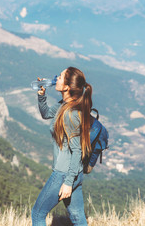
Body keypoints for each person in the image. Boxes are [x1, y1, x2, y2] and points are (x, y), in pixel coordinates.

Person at [31, 67, 92, 226]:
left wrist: (68, 182)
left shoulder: (70, 113)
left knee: (37, 214)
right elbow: (46, 114)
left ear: (67, 87)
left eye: (61, 76)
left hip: (64, 174)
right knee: (78, 217)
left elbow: (77, 150)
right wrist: (41, 96)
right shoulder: (64, 105)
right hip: (75, 173)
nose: (56, 77)